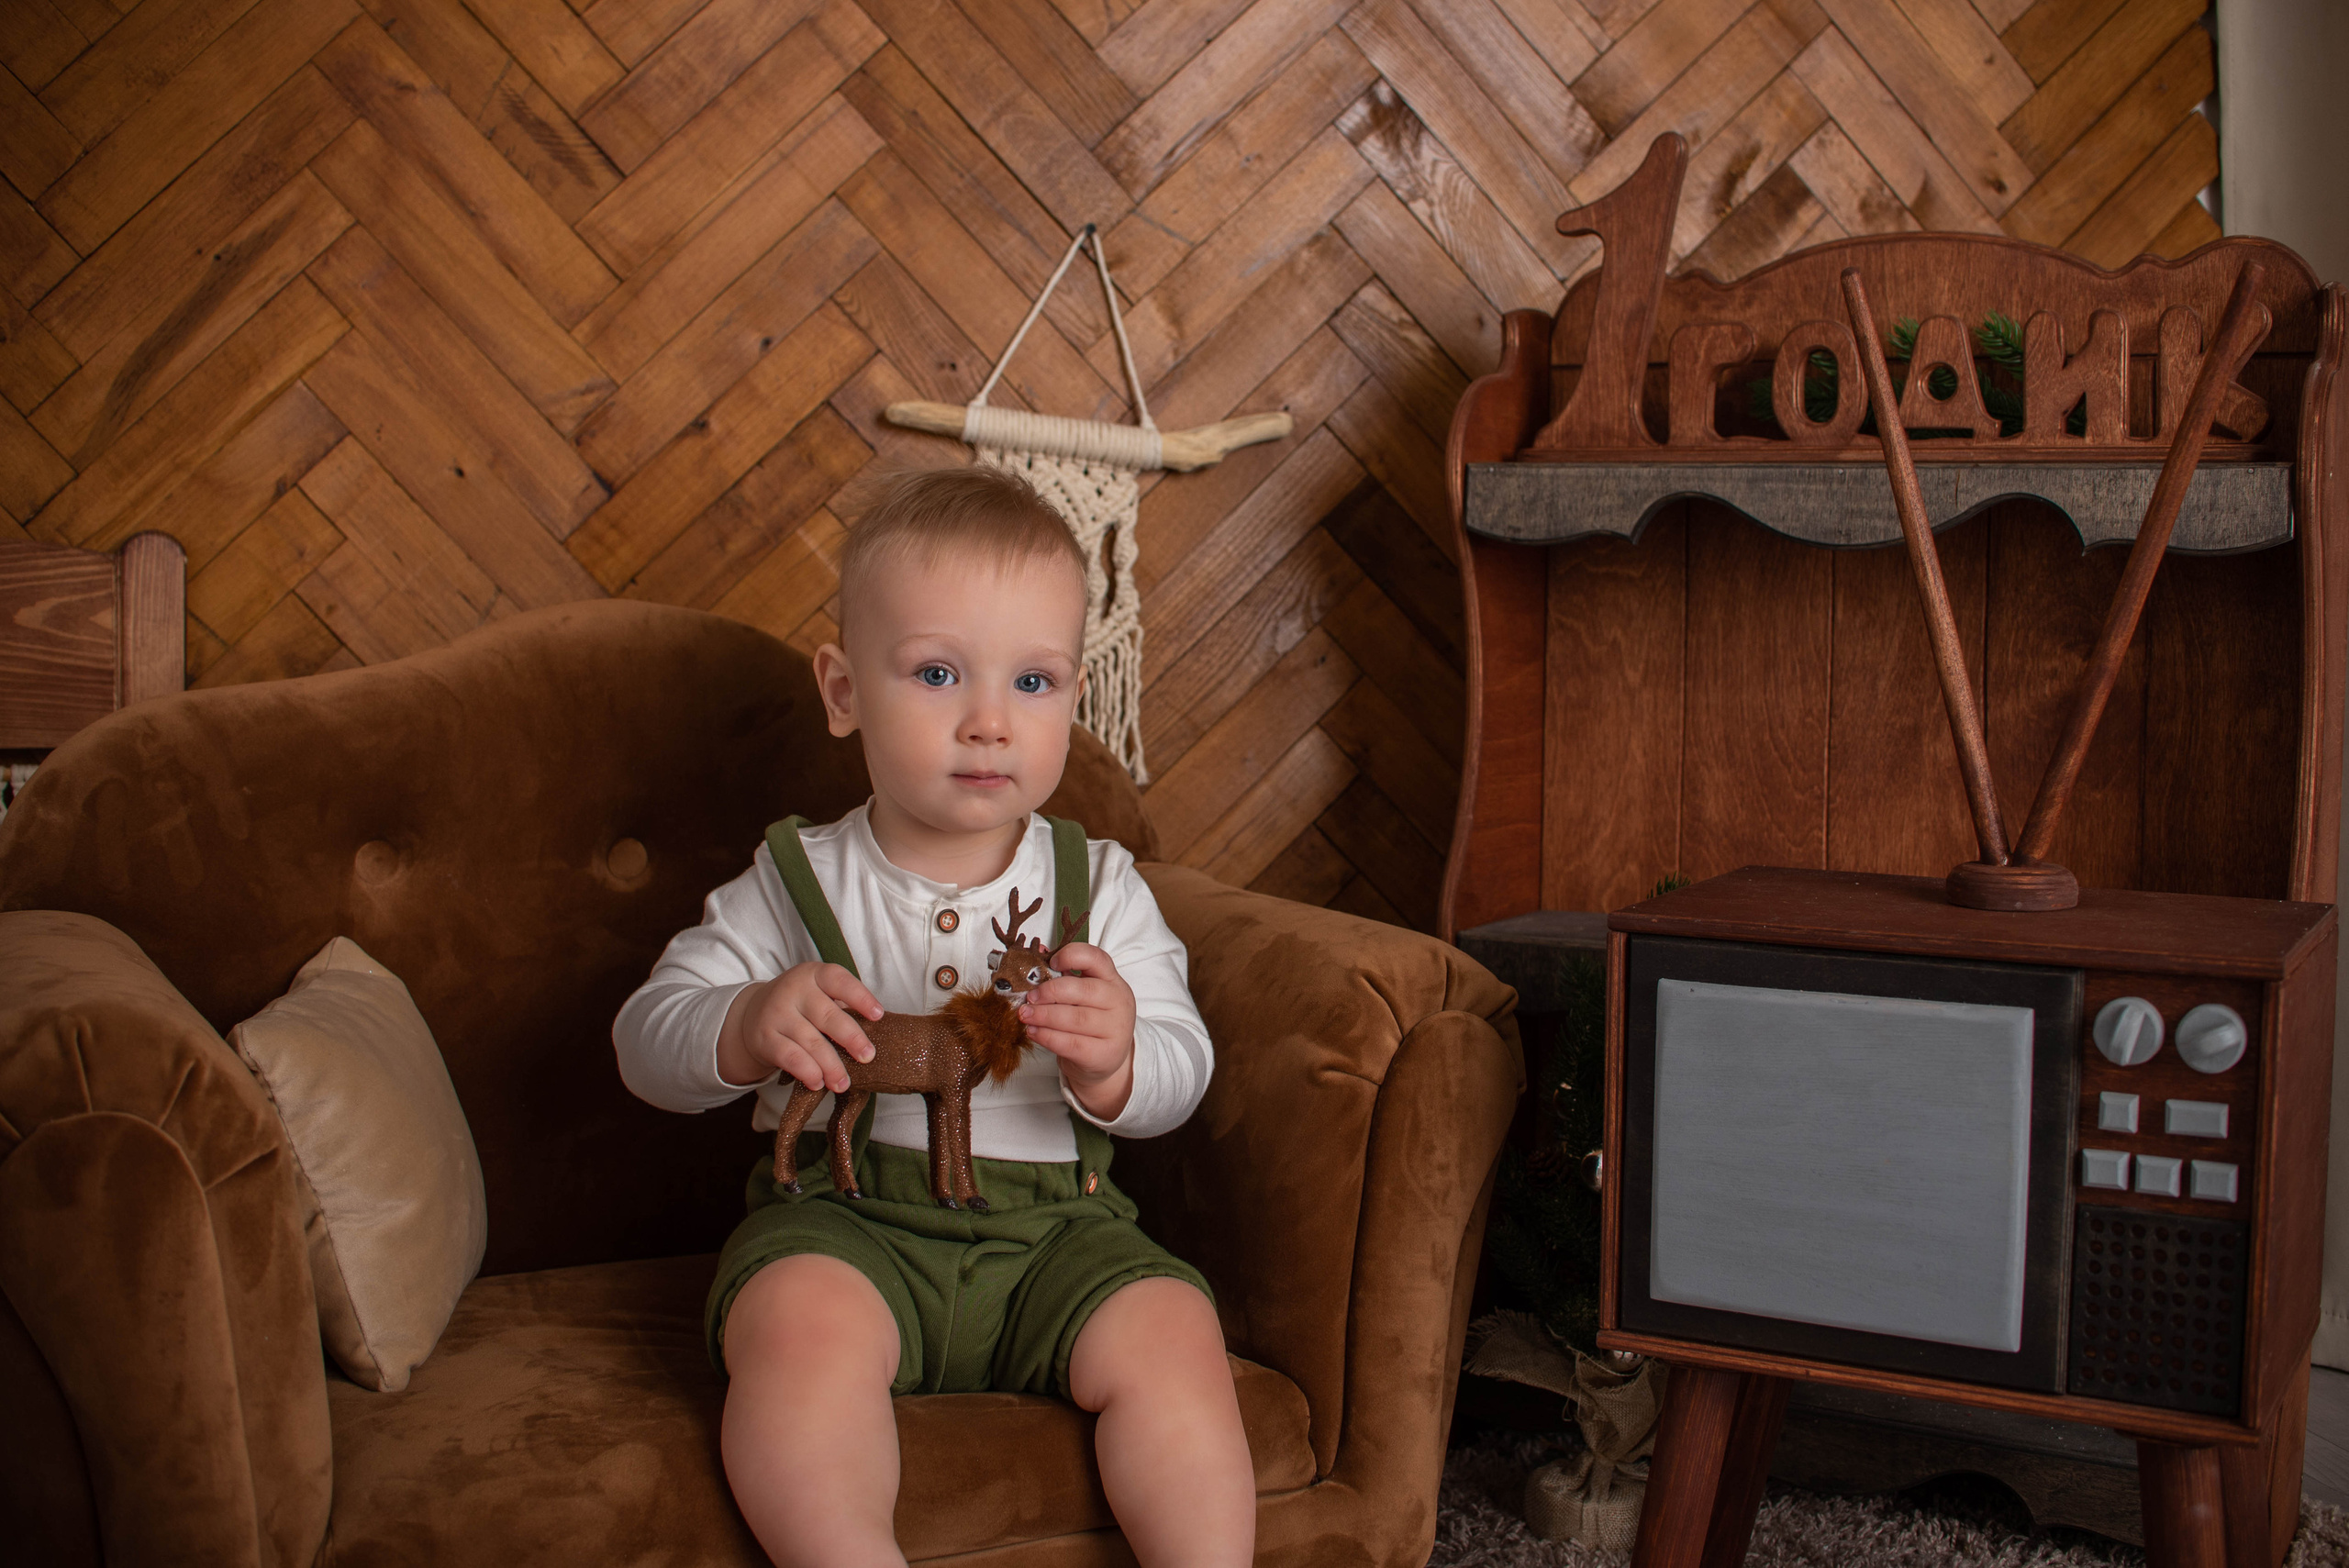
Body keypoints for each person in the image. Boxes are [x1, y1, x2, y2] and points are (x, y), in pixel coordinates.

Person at [613, 465, 1253, 1568]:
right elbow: (642, 1041)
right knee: (795, 1326)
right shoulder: (795, 878)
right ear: (844, 690)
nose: (989, 722)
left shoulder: (1098, 885)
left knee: (1172, 1328)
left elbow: (1183, 1069)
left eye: (1034, 681)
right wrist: (746, 1020)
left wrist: (1118, 1060)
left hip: (1058, 1234)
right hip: (846, 1224)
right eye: (938, 672)